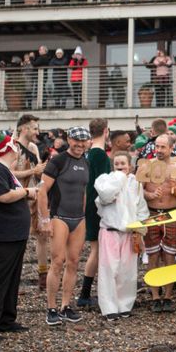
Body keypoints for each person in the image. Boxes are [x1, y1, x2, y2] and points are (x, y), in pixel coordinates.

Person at [0, 134, 39, 340]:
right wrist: (27, 192)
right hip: (1, 235)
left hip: (12, 234)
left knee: (12, 279)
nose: (18, 152)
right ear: (7, 150)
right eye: (15, 148)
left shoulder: (3, 170)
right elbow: (3, 196)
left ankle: (6, 319)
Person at [38, 126, 90, 325]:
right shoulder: (58, 161)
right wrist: (45, 220)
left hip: (79, 218)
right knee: (58, 262)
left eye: (83, 142)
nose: (79, 145)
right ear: (69, 139)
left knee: (74, 262)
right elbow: (42, 191)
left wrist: (84, 215)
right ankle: (51, 308)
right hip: (59, 216)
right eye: (76, 141)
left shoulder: (86, 162)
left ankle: (66, 306)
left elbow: (83, 191)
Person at [93, 151, 148, 320]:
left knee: (127, 270)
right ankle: (109, 307)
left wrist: (139, 230)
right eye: (116, 164)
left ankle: (125, 304)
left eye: (123, 164)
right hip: (110, 231)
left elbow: (141, 208)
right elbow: (104, 196)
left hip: (129, 232)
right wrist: (119, 178)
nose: (120, 167)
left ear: (130, 166)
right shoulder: (105, 180)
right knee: (109, 269)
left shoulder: (136, 184)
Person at [141, 134, 176, 312]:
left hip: (170, 213)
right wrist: (150, 195)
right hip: (151, 213)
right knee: (152, 254)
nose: (158, 150)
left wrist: (175, 188)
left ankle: (167, 295)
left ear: (171, 148)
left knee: (170, 254)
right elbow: (139, 190)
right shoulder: (146, 166)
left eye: (162, 147)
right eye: (157, 147)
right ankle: (155, 295)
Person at [12, 115, 48, 290]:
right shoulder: (12, 147)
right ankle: (12, 275)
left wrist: (41, 170)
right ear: (24, 129)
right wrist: (33, 170)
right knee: (18, 238)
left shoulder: (33, 147)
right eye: (34, 128)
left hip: (34, 195)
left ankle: (43, 277)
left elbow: (37, 170)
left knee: (41, 235)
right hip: (17, 197)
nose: (37, 132)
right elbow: (8, 173)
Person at [77, 119, 110, 310]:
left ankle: (87, 292)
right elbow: (103, 184)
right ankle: (85, 293)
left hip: (90, 203)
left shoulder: (90, 153)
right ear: (105, 131)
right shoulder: (99, 154)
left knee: (96, 249)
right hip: (97, 206)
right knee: (96, 250)